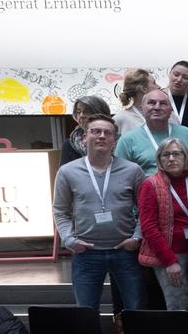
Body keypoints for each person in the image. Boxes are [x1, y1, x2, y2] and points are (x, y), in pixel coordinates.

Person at [53, 113, 146, 312]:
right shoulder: (68, 172)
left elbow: (146, 210)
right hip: (86, 254)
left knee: (135, 310)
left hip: (125, 252)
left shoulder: (132, 170)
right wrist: (69, 240)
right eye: (96, 132)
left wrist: (137, 237)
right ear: (85, 137)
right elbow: (60, 211)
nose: (102, 136)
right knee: (86, 312)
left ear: (115, 140)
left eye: (107, 133)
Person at [137, 138, 188, 311]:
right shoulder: (150, 185)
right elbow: (148, 227)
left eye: (176, 154)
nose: (171, 158)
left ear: (185, 157)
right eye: (166, 155)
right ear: (160, 160)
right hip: (169, 253)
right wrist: (169, 261)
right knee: (178, 302)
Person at [117, 87, 188, 172]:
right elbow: (121, 176)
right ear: (142, 108)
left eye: (163, 103)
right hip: (146, 184)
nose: (157, 107)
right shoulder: (127, 140)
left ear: (170, 110)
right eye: (151, 103)